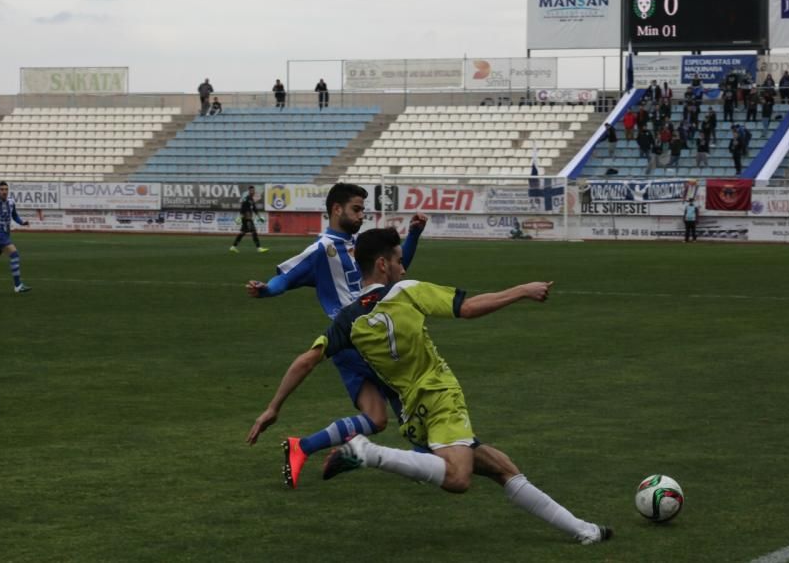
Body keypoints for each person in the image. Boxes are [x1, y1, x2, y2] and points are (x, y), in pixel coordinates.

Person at [246, 228, 612, 546]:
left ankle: (585, 530)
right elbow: (467, 308)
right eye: (399, 260)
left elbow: (306, 360)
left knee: (501, 467)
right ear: (384, 265)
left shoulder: (348, 319)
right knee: (458, 478)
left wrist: (273, 407)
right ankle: (367, 452)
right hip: (439, 396)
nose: (404, 267)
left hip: (411, 413)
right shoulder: (405, 291)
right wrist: (521, 290)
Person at [245, 183, 427, 487]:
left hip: (357, 341)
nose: (361, 215)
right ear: (336, 209)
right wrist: (266, 290)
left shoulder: (361, 247)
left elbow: (398, 266)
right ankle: (425, 459)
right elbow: (285, 278)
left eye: (362, 210)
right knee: (404, 393)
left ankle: (302, 447)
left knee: (376, 419)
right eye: (356, 209)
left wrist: (415, 234)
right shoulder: (321, 250)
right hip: (358, 338)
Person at [230, 186, 268, 254]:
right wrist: (241, 216)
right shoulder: (246, 199)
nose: (252, 192)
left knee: (242, 233)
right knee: (254, 232)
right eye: (251, 191)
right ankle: (259, 248)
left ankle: (233, 247)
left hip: (248, 219)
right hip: (247, 219)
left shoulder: (251, 199)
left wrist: (259, 217)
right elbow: (243, 208)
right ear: (249, 191)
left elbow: (254, 209)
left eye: (253, 191)